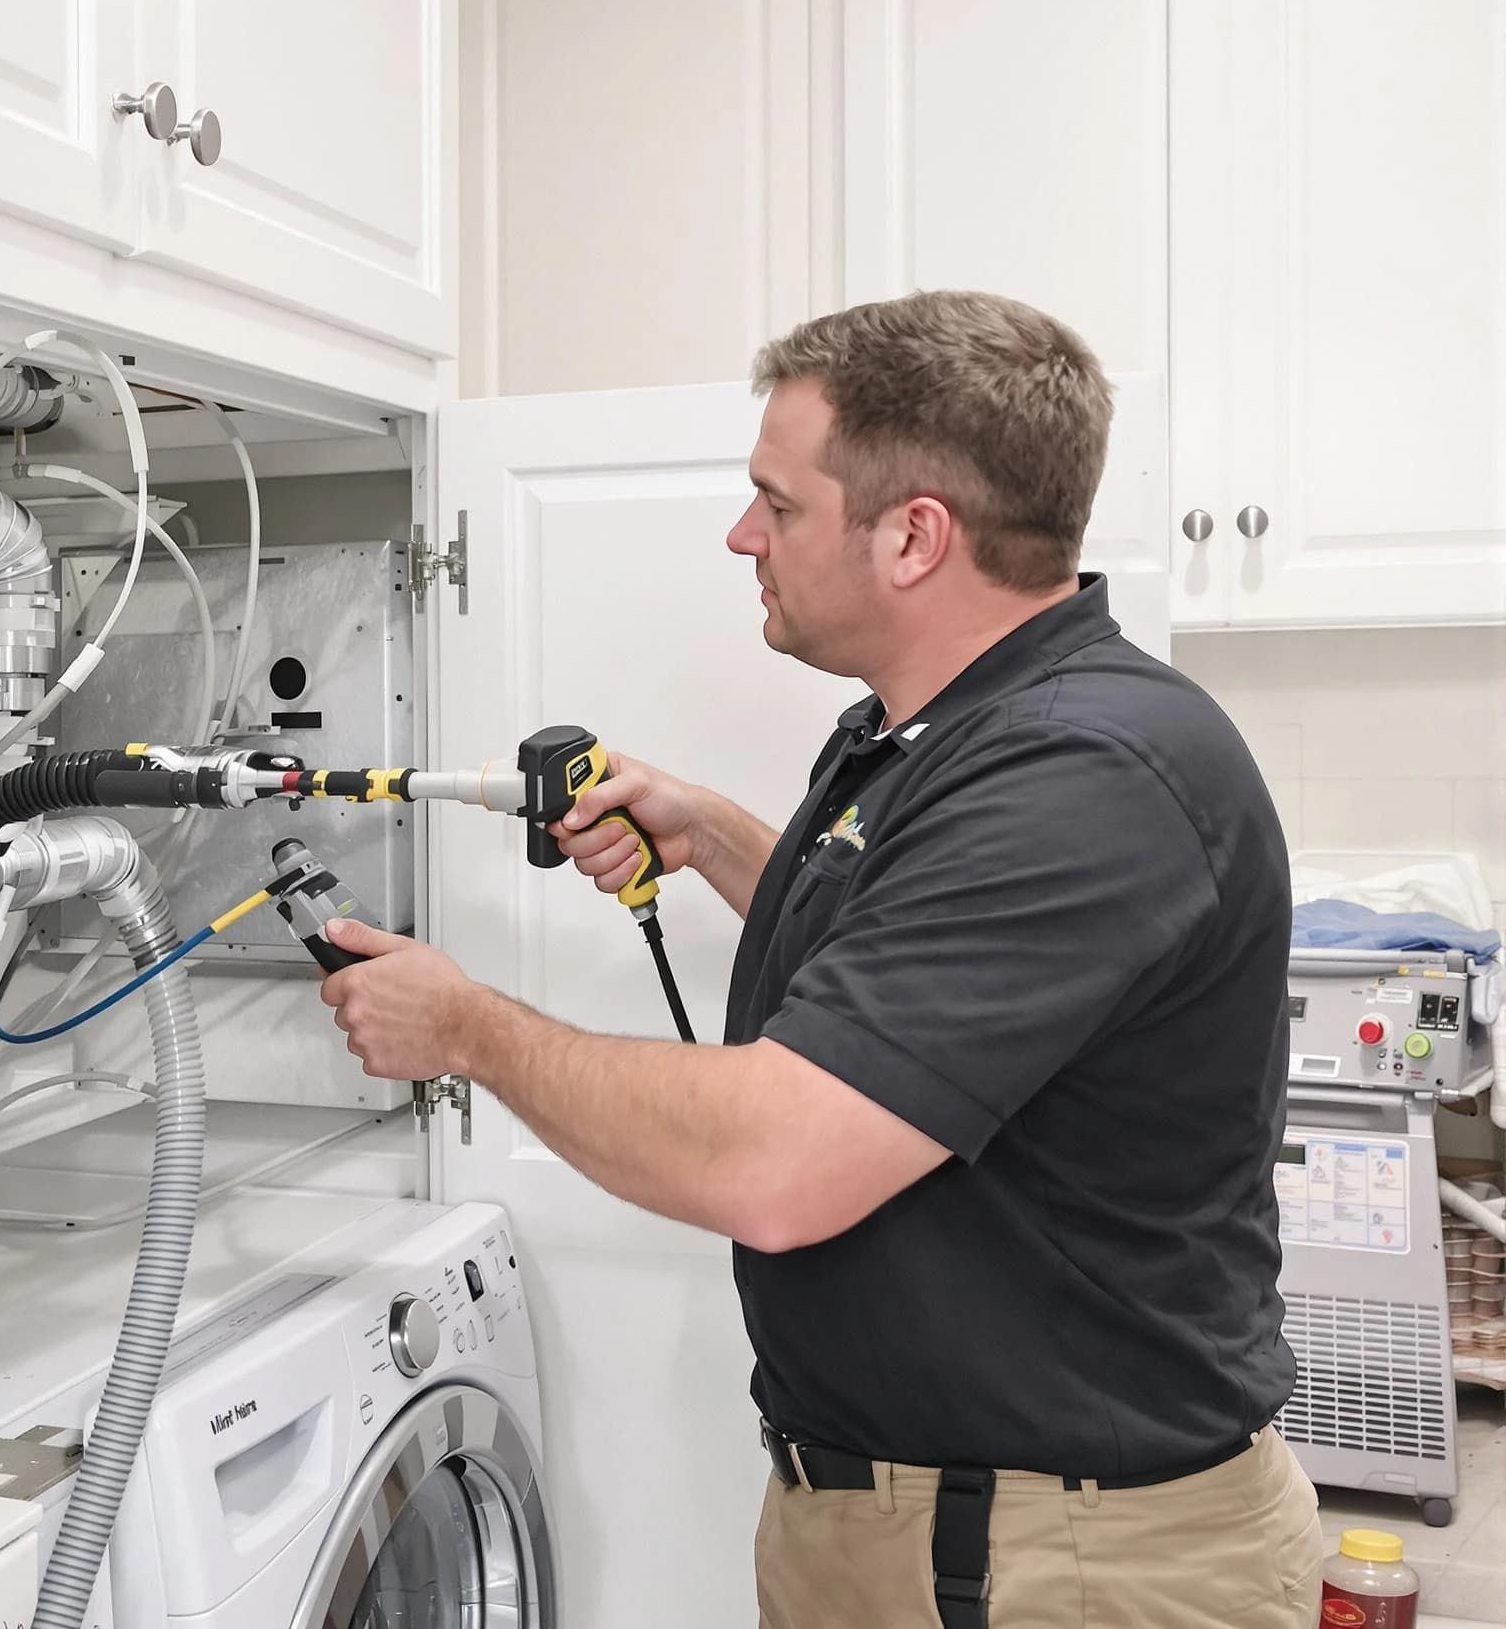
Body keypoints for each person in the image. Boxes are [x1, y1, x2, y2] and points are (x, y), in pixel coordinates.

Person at [313, 291, 1320, 1628]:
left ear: (913, 536)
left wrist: (467, 1027)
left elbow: (774, 1166)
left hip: (1061, 1568)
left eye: (776, 505)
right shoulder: (935, 734)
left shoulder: (1088, 773)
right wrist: (720, 838)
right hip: (921, 1528)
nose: (744, 536)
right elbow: (925, 956)